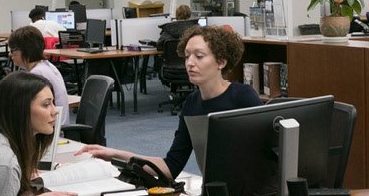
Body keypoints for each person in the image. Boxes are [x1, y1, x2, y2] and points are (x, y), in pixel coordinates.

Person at [80, 25, 260, 180]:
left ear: (221, 61)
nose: (190, 63)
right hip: (217, 194)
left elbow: (266, 152)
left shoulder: (242, 96)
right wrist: (114, 154)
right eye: (187, 56)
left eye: (199, 56)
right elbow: (170, 167)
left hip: (255, 193)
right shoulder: (192, 104)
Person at [6, 26, 69, 126]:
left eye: (12, 50)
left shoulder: (37, 74)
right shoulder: (46, 66)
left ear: (25, 51)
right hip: (53, 125)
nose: (10, 54)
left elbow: (26, 110)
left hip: (50, 131)